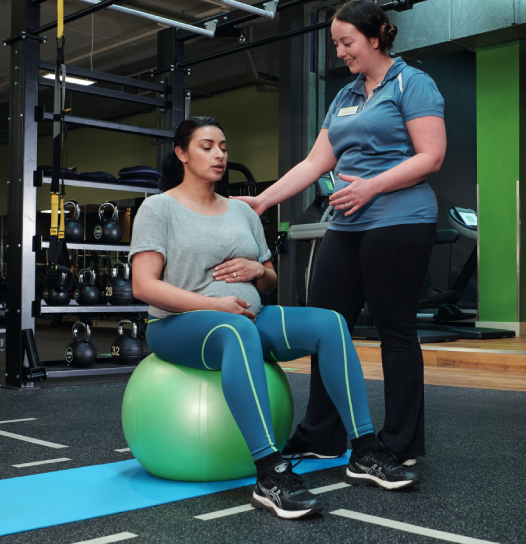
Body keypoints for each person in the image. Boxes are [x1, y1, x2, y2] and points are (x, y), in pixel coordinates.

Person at [130, 116, 417, 521]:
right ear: (181, 154)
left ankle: (365, 450)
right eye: (207, 146)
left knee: (331, 323)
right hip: (179, 325)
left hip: (248, 315)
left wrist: (255, 270)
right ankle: (269, 474)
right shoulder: (158, 209)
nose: (219, 155)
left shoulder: (242, 212)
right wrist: (214, 306)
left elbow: (269, 280)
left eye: (224, 147)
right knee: (237, 329)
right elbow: (143, 286)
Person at [234, 0, 447, 467]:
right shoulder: (346, 97)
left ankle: (401, 443)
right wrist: (264, 200)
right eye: (335, 44)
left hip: (400, 219)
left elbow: (430, 156)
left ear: (375, 38)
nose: (341, 52)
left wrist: (371, 186)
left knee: (395, 330)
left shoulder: (413, 83)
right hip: (348, 223)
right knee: (325, 327)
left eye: (347, 42)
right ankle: (322, 434)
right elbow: (315, 163)